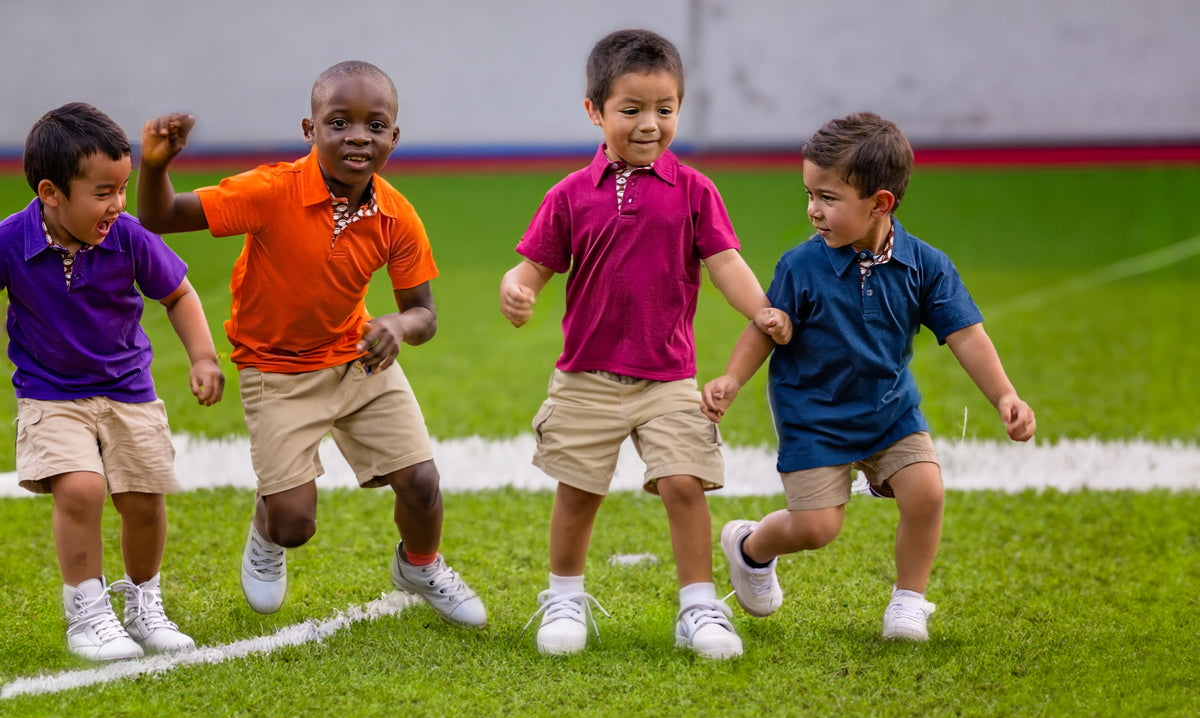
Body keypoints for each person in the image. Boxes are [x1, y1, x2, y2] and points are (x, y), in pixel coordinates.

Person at [136, 60, 486, 628]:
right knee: (295, 524)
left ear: (394, 137)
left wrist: (395, 327)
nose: (358, 136)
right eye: (339, 122)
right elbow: (160, 216)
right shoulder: (271, 190)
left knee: (422, 482)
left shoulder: (397, 215)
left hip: (356, 360)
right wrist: (154, 166)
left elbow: (424, 314)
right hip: (276, 371)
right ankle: (267, 525)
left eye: (376, 125)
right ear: (310, 129)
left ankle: (420, 565)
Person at [500, 29, 791, 659]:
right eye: (631, 110)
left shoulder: (695, 191)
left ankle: (700, 606)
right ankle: (565, 596)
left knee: (684, 485)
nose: (649, 124)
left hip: (669, 379)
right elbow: (532, 267)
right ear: (594, 112)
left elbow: (725, 263)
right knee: (578, 490)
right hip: (586, 377)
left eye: (665, 109)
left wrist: (762, 307)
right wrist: (515, 289)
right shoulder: (570, 194)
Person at [702, 112, 1036, 641]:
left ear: (880, 203)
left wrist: (1005, 395)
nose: (813, 209)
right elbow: (764, 327)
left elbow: (967, 335)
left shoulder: (927, 266)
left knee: (926, 492)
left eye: (828, 198)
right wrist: (731, 380)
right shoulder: (800, 267)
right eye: (809, 194)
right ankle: (751, 548)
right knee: (817, 528)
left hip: (889, 410)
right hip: (813, 416)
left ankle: (908, 602)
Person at [0, 103, 226, 661]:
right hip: (50, 393)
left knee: (143, 499)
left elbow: (178, 294)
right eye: (103, 192)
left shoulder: (128, 237)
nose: (119, 204)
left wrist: (203, 358)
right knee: (81, 489)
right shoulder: (10, 241)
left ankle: (144, 604)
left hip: (129, 390)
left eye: (123, 188)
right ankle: (86, 611)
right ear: (51, 193)